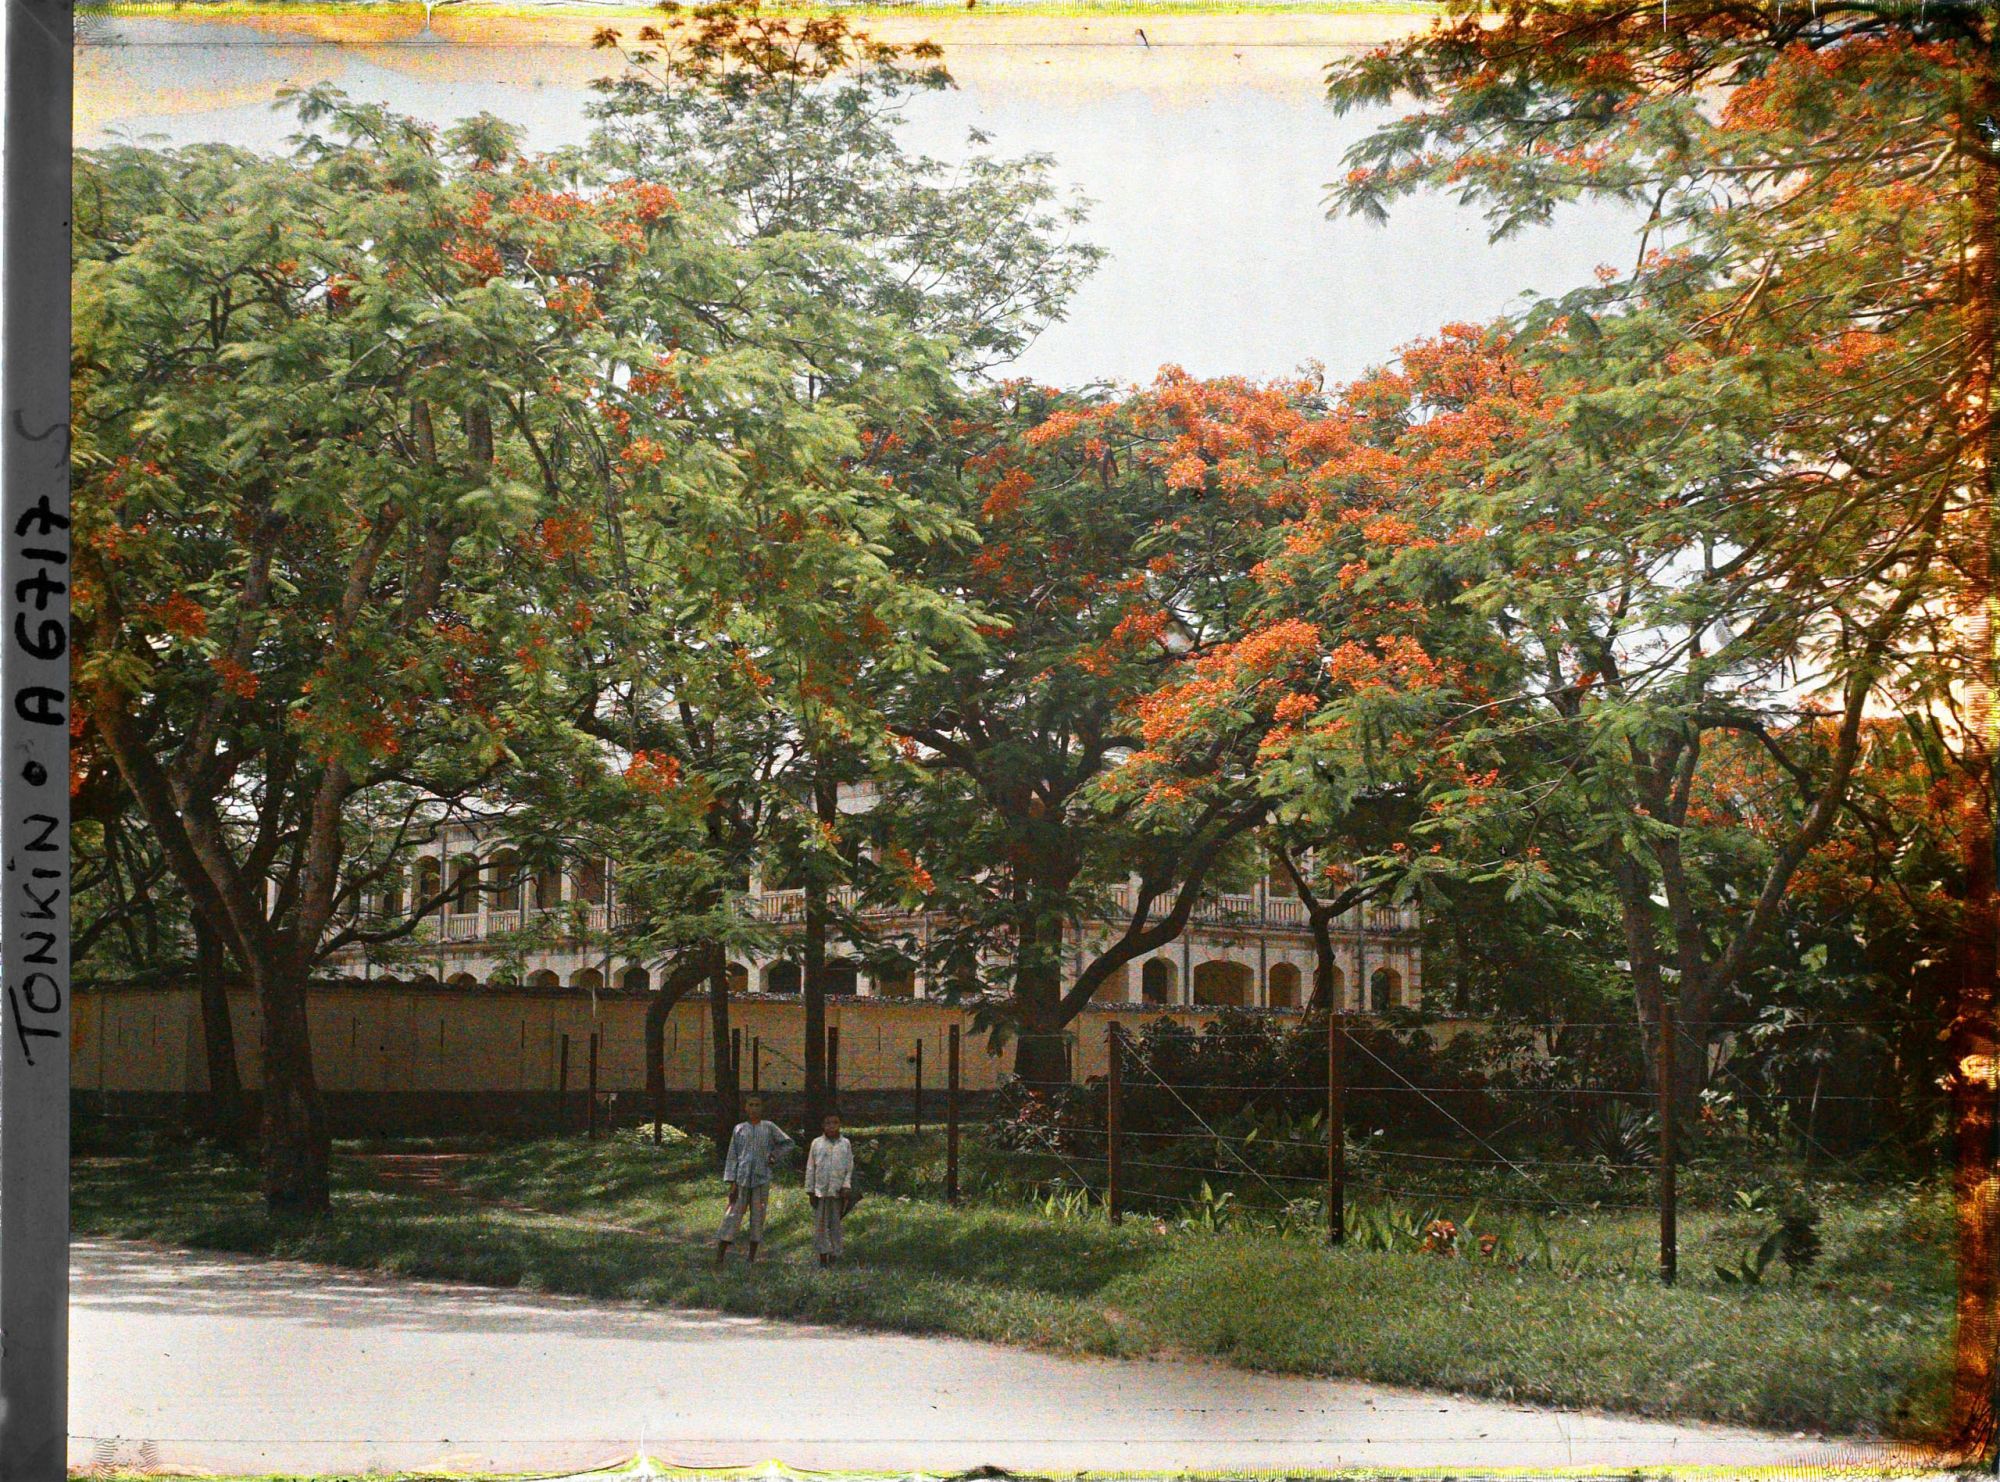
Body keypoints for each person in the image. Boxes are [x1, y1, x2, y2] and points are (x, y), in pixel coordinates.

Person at [715, 1095, 795, 1266]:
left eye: (757, 1105)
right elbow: (732, 1156)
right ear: (745, 1108)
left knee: (758, 1217)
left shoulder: (768, 1127)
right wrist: (732, 1182)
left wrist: (773, 1156)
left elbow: (788, 1143)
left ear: (762, 1108)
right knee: (732, 1215)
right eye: (751, 1105)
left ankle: (751, 1257)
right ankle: (720, 1255)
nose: (754, 1108)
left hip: (761, 1179)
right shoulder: (739, 1129)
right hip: (741, 1180)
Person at [804, 1111, 856, 1268]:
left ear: (840, 1124)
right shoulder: (816, 1143)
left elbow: (849, 1167)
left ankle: (835, 1253)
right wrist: (810, 1189)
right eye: (828, 1123)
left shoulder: (845, 1143)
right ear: (822, 1125)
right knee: (820, 1225)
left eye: (835, 1122)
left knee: (835, 1224)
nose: (831, 1126)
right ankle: (822, 1255)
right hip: (820, 1191)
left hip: (838, 1191)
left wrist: (846, 1185)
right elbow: (811, 1167)